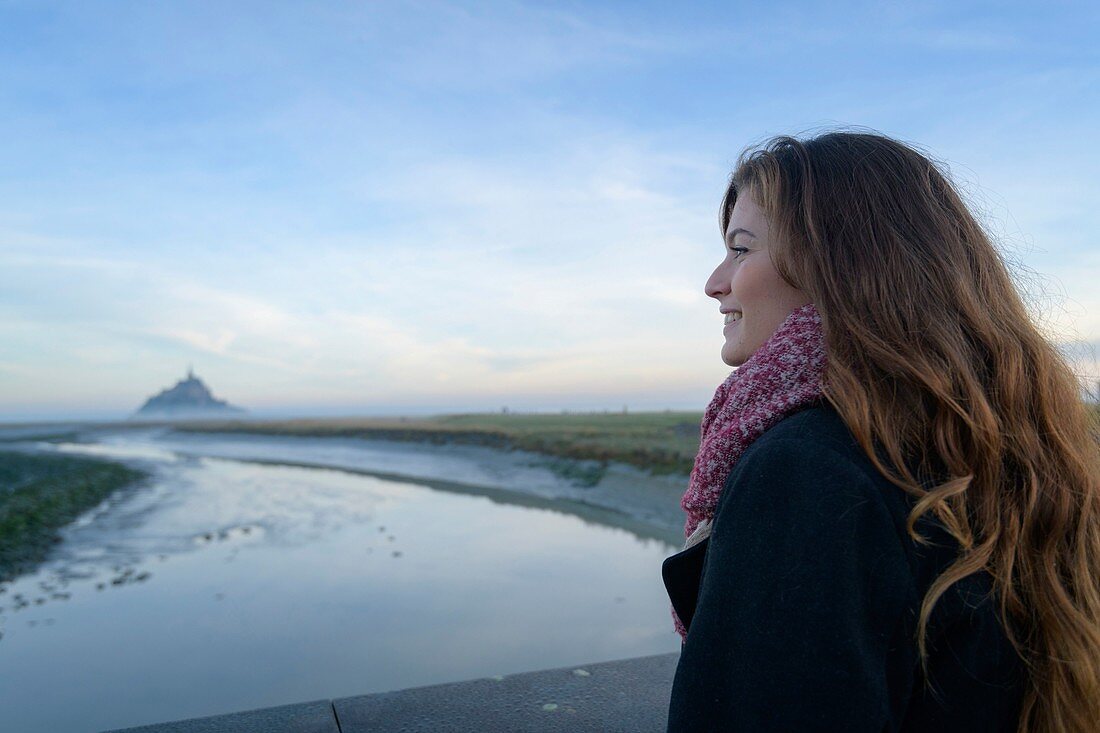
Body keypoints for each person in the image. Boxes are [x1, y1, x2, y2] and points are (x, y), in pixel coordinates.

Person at [661, 131, 1100, 732]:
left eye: (741, 249)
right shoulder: (993, 443)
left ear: (838, 263)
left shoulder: (806, 467)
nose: (714, 282)